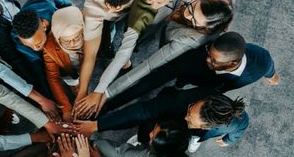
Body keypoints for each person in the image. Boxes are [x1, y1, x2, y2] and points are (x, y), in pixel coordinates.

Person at [73, 0, 203, 117]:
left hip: (168, 16)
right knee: (128, 42)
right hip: (140, 24)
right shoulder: (140, 12)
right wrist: (97, 90)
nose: (154, 5)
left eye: (159, 2)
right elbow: (121, 53)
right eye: (149, 0)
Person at [99, 0, 236, 109]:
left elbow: (148, 66)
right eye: (192, 8)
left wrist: (107, 93)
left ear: (206, 27)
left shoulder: (193, 39)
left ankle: (108, 106)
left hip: (180, 47)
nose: (187, 15)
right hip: (174, 23)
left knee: (153, 76)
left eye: (194, 19)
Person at [105, 32, 280, 109]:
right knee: (150, 81)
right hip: (191, 69)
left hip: (211, 87)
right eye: (209, 53)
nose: (207, 59)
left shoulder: (261, 61)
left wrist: (272, 77)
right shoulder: (200, 56)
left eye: (213, 60)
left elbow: (269, 67)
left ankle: (181, 85)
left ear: (233, 62)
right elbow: (152, 78)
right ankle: (109, 105)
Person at [74, 0, 156, 117]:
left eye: (118, 7)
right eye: (108, 5)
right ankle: (109, 46)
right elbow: (90, 55)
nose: (111, 11)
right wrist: (82, 93)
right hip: (96, 14)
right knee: (98, 44)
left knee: (133, 33)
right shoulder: (94, 3)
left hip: (136, 4)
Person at [76, 88, 249, 152]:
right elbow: (142, 110)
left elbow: (240, 129)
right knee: (150, 128)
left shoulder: (237, 121)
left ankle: (195, 139)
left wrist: (228, 140)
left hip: (197, 135)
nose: (185, 115)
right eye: (191, 109)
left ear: (207, 126)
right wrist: (96, 125)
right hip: (169, 117)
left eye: (190, 119)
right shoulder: (184, 101)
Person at [41, 6, 86, 121]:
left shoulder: (92, 30)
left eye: (76, 38)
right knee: (75, 86)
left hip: (84, 64)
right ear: (57, 38)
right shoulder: (49, 47)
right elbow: (53, 77)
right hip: (66, 70)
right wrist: (66, 109)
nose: (72, 45)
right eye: (66, 41)